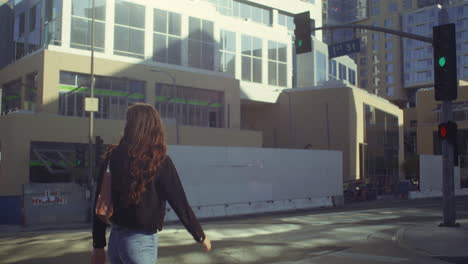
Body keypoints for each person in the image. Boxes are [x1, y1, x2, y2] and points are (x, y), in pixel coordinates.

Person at [91, 103, 211, 264]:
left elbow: (100, 202)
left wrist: (98, 246)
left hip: (116, 241)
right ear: (154, 127)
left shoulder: (113, 156)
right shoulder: (159, 161)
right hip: (140, 242)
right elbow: (179, 202)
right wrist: (199, 234)